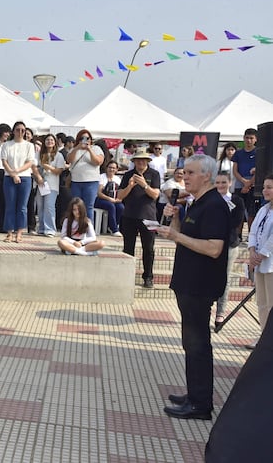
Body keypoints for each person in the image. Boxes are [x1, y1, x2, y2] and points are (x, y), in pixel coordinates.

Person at [157, 154, 229, 420]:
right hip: (188, 284)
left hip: (200, 286)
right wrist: (174, 220)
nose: (184, 177)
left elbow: (214, 248)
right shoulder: (196, 203)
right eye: (184, 172)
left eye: (190, 173)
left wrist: (176, 234)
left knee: (198, 344)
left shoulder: (214, 206)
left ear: (206, 176)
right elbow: (184, 240)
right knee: (191, 343)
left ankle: (201, 405)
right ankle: (194, 394)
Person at [118, 147, 161, 288]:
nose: (141, 162)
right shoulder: (128, 175)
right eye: (138, 160)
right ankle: (126, 276)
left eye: (143, 160)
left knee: (149, 248)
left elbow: (155, 195)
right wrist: (130, 186)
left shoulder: (154, 174)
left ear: (148, 161)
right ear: (134, 161)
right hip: (129, 215)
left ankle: (148, 277)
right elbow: (119, 196)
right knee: (128, 247)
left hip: (149, 216)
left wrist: (144, 185)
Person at [214, 172, 245, 327]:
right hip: (210, 245)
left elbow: (237, 221)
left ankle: (220, 313)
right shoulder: (210, 200)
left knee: (224, 278)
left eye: (223, 182)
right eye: (217, 182)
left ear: (230, 183)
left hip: (230, 245)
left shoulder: (237, 200)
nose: (220, 186)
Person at [246, 174, 273, 349]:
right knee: (262, 302)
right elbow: (253, 232)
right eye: (264, 187)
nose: (265, 190)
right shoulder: (264, 209)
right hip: (259, 263)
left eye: (269, 187)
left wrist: (261, 254)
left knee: (272, 303)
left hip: (270, 263)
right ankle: (264, 337)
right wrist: (252, 250)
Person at [0, 121, 37, 244]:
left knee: (22, 207)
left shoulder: (29, 146)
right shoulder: (7, 145)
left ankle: (19, 232)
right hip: (9, 177)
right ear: (13, 131)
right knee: (10, 205)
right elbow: (4, 161)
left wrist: (17, 171)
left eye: (23, 130)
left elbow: (30, 162)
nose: (20, 132)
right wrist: (13, 173)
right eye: (18, 130)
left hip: (25, 177)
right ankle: (9, 232)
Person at [66, 129, 104, 220]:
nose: (85, 140)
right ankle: (76, 228)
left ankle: (88, 229)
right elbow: (69, 160)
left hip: (91, 181)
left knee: (88, 206)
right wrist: (77, 148)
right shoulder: (74, 149)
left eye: (87, 138)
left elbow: (98, 161)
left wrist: (89, 149)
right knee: (76, 206)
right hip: (76, 181)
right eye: (82, 138)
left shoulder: (96, 149)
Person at [37, 133, 66, 237]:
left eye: (52, 140)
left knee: (49, 206)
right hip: (41, 183)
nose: (49, 142)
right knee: (40, 206)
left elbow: (59, 170)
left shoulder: (58, 155)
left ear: (55, 142)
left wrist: (48, 167)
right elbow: (35, 167)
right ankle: (41, 228)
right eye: (47, 140)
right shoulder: (40, 154)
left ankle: (50, 229)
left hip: (52, 185)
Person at [232, 128, 258, 235]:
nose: (249, 140)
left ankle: (251, 235)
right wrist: (243, 181)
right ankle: (238, 235)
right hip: (239, 182)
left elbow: (260, 169)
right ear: (243, 138)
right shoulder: (238, 153)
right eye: (247, 138)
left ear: (256, 139)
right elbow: (235, 170)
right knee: (238, 210)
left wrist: (249, 183)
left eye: (251, 138)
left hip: (254, 183)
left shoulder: (259, 152)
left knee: (251, 211)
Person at [94, 160, 125, 236]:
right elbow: (99, 193)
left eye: (114, 168)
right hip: (100, 199)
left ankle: (114, 225)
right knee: (110, 206)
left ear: (117, 169)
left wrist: (119, 199)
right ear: (106, 168)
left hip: (114, 199)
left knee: (121, 207)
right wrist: (110, 199)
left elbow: (120, 192)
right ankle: (114, 229)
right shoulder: (101, 177)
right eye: (110, 167)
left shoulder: (118, 179)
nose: (111, 169)